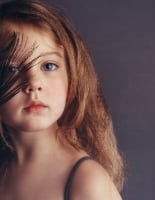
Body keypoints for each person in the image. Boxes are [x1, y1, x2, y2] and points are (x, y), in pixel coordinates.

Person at [0, 0, 124, 199]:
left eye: (48, 66)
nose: (33, 83)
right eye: (11, 69)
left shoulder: (86, 182)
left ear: (72, 78)